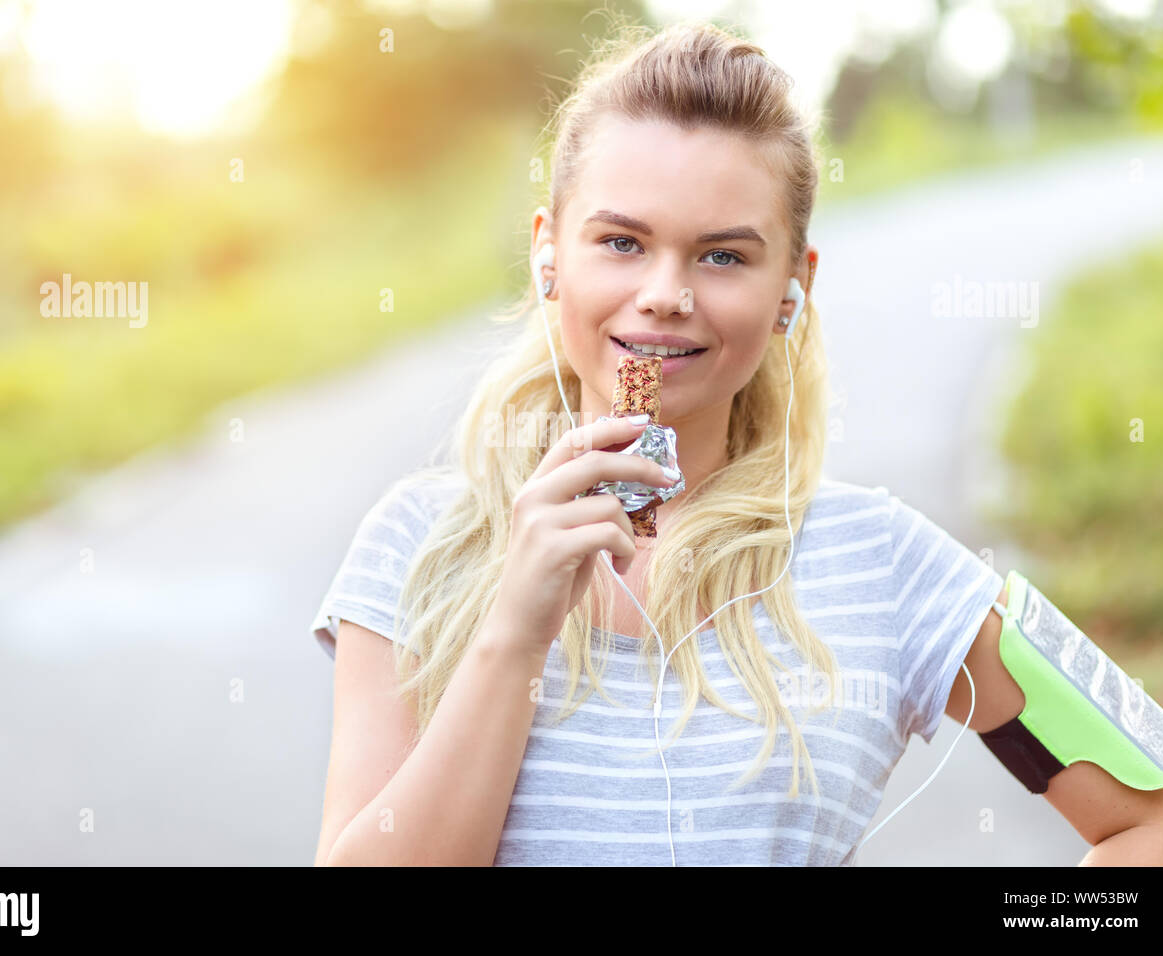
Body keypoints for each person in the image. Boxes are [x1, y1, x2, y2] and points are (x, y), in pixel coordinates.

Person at [311, 17, 1009, 866]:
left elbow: (1160, 818)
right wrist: (515, 634)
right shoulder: (416, 549)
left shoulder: (886, 563)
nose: (665, 294)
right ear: (548, 255)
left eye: (722, 257)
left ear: (794, 286)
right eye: (621, 242)